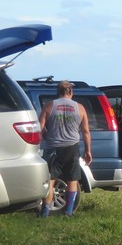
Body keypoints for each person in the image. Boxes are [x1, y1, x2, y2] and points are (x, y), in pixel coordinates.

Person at [38, 81, 92, 217]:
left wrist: (46, 135)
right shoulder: (80, 108)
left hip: (53, 147)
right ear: (71, 92)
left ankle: (45, 212)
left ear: (58, 91)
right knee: (72, 179)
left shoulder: (49, 106)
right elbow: (86, 131)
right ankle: (68, 212)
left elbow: (40, 127)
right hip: (72, 148)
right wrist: (88, 151)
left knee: (50, 180)